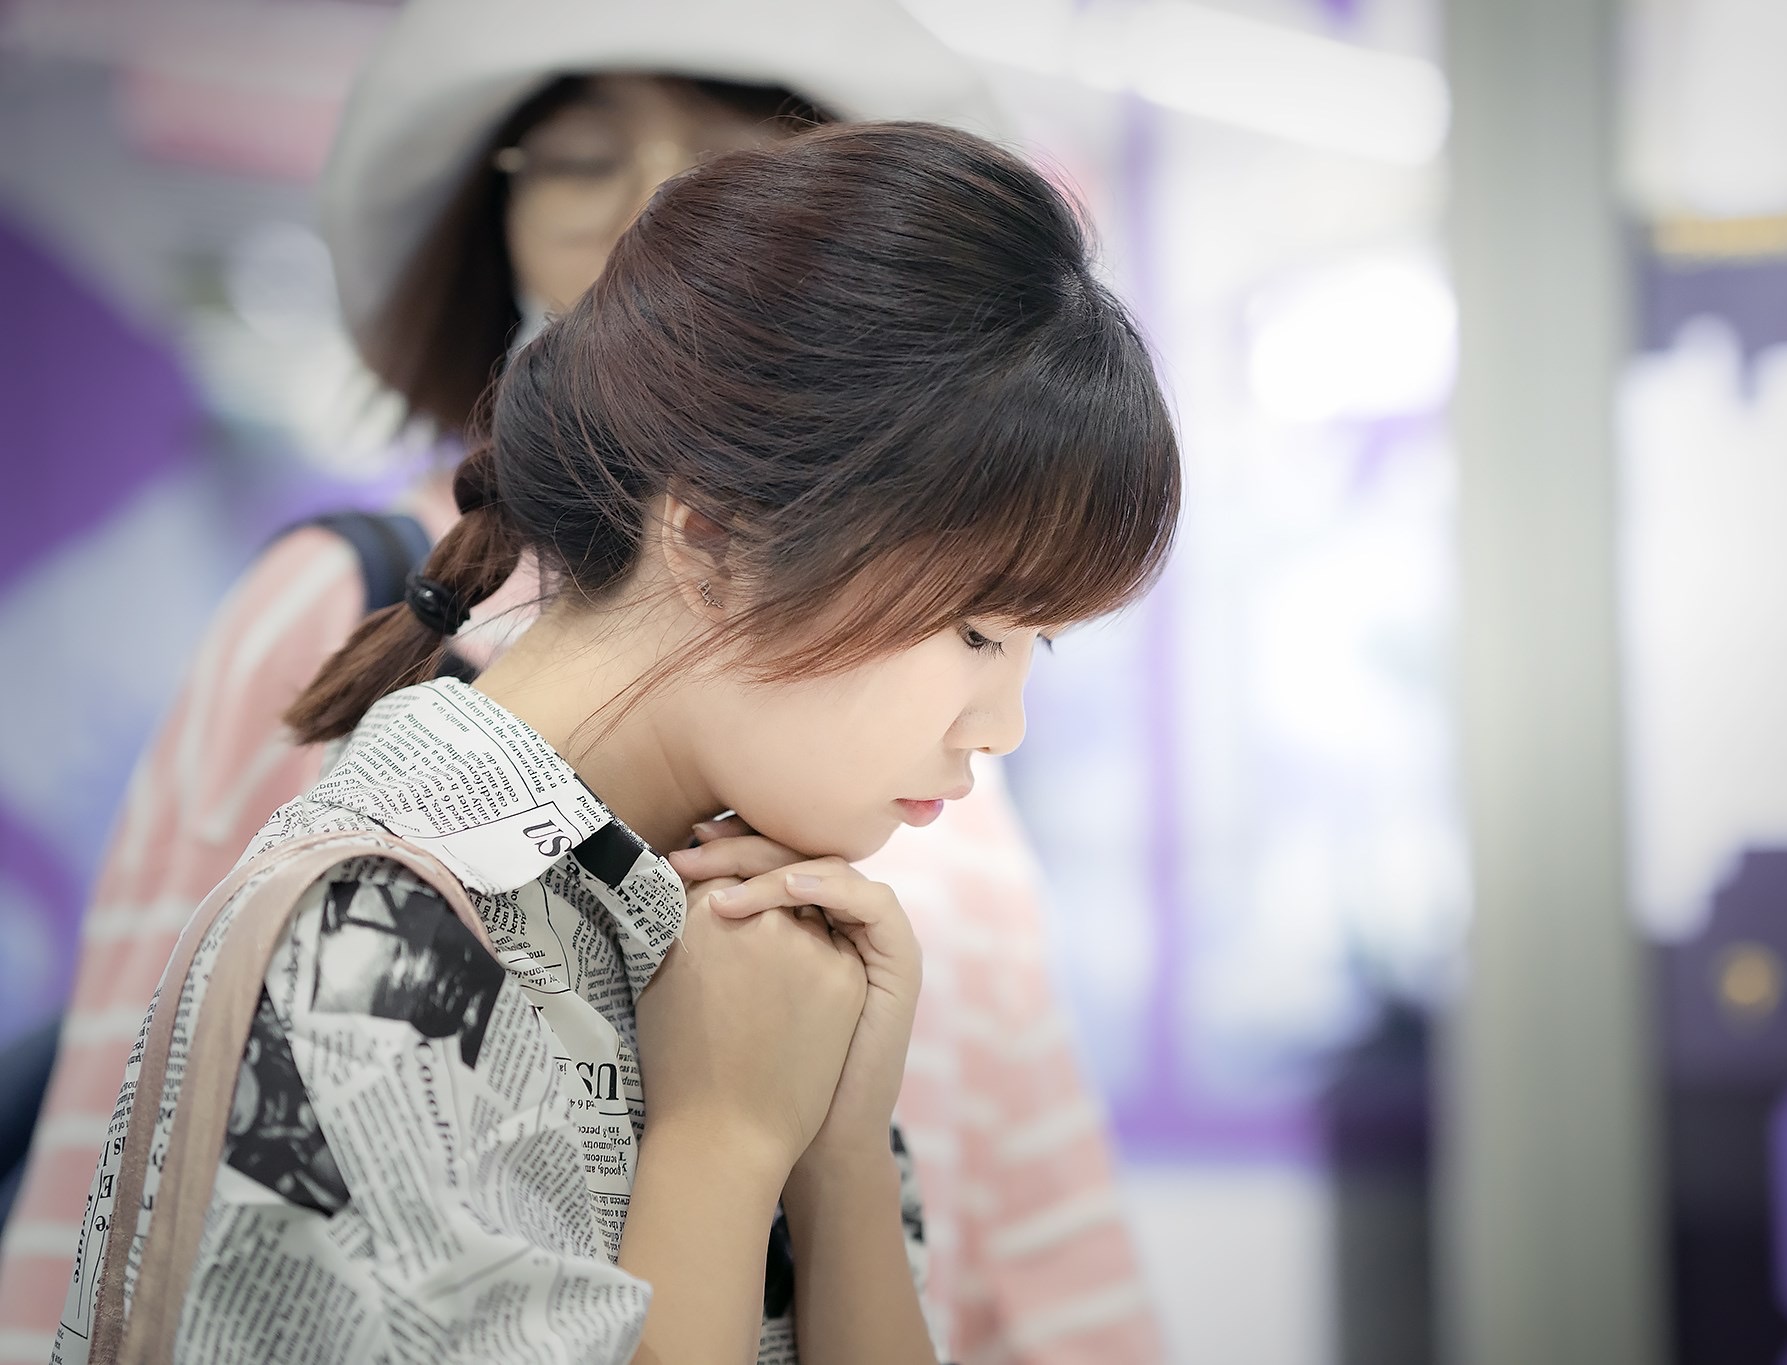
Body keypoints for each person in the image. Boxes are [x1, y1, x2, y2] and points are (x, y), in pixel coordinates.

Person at [0, 6, 1166, 1361]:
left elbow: (1036, 1201)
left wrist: (839, 1151)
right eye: (975, 631)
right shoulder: (386, 923)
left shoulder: (769, 873)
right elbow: (109, 1174)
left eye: (734, 162)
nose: (1003, 726)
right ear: (716, 538)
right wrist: (728, 1138)